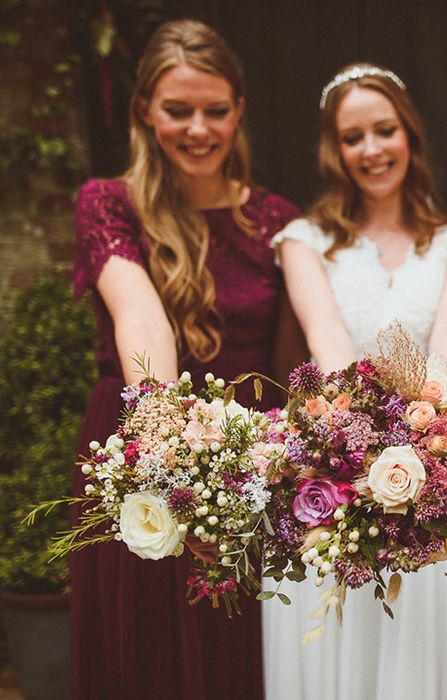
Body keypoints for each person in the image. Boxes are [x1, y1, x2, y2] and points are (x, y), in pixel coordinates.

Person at [263, 63, 447, 700]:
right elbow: (330, 351)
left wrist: (419, 452)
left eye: (384, 130)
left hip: (434, 481)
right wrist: (362, 450)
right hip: (329, 483)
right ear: (335, 149)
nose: (371, 150)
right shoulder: (304, 240)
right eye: (353, 137)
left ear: (410, 134)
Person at [69, 19, 297, 700]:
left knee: (242, 653)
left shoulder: (277, 219)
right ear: (144, 112)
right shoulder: (108, 204)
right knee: (149, 654)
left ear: (239, 112)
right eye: (177, 110)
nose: (198, 128)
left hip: (253, 453)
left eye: (215, 111)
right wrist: (175, 458)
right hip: (143, 434)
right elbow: (141, 317)